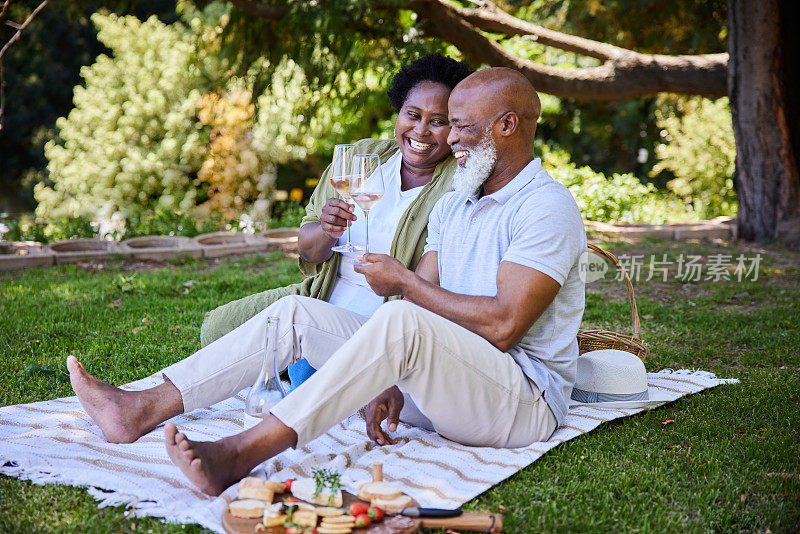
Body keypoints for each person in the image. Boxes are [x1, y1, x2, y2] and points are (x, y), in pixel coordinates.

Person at [67, 67, 587, 497]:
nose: (449, 139)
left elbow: (503, 327)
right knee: (297, 314)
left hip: (519, 402)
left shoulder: (545, 207)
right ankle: (140, 407)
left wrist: (402, 282)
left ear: (507, 125)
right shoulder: (457, 203)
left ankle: (242, 452)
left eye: (461, 128)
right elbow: (421, 307)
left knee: (402, 314)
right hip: (450, 390)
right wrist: (383, 369)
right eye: (447, 125)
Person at [200, 54, 472, 389]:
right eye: (412, 115)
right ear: (399, 113)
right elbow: (309, 251)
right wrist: (327, 230)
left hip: (382, 322)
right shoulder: (361, 157)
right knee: (224, 337)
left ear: (455, 127)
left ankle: (299, 373)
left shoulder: (461, 183)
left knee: (302, 379)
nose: (421, 130)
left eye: (438, 121)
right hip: (319, 299)